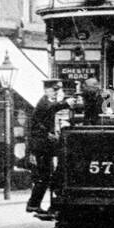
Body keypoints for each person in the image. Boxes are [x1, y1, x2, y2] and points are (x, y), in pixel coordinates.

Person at [26, 79, 72, 215]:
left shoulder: (47, 102)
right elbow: (51, 108)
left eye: (57, 90)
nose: (56, 93)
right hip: (41, 146)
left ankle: (35, 204)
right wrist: (65, 104)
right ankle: (33, 204)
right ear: (47, 90)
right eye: (54, 90)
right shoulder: (44, 102)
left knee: (47, 175)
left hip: (44, 145)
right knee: (44, 176)